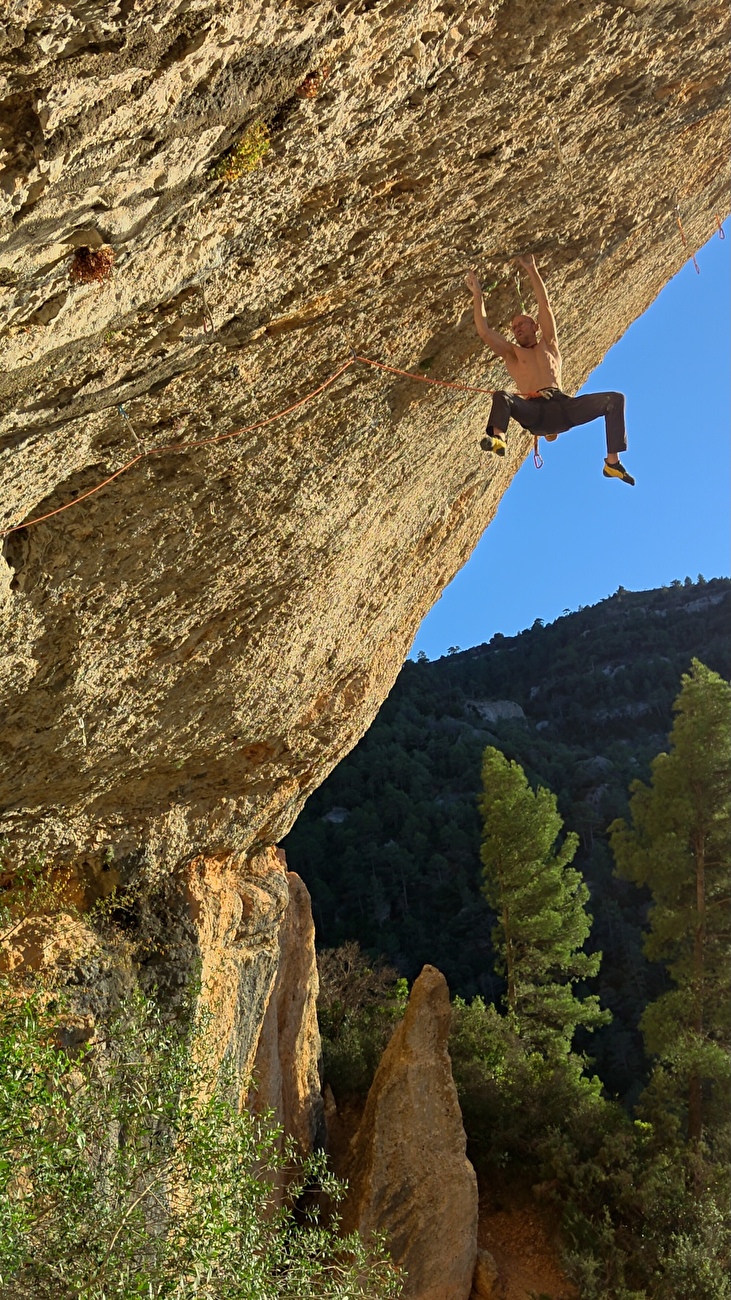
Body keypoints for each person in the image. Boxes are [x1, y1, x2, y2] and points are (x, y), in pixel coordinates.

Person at [465, 256, 634, 484]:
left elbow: (544, 304)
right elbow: (485, 332)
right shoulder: (512, 354)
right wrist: (478, 296)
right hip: (535, 412)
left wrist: (532, 269)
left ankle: (612, 463)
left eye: (522, 324)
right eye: (514, 328)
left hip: (563, 407)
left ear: (535, 325)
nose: (517, 329)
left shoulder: (550, 344)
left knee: (615, 399)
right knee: (501, 396)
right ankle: (499, 438)